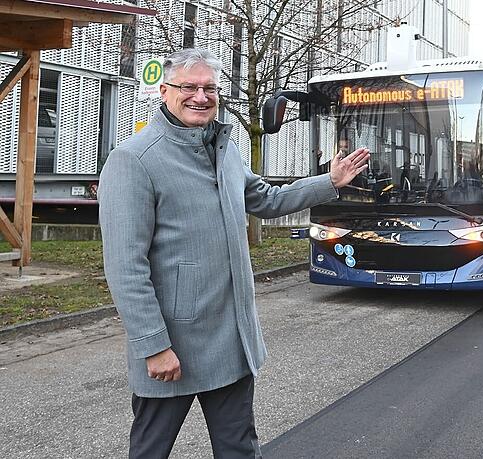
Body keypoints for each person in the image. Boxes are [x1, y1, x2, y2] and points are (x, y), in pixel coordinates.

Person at [98, 48, 369, 458]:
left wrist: (328, 181)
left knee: (239, 449)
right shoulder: (133, 160)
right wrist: (152, 345)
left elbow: (266, 199)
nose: (201, 97)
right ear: (164, 91)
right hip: (174, 345)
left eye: (210, 88)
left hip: (231, 341)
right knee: (150, 451)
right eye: (189, 87)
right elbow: (125, 266)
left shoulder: (224, 150)